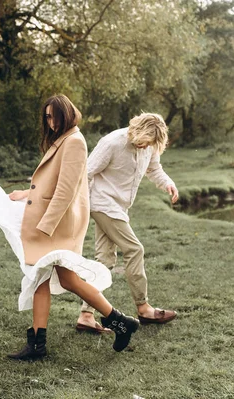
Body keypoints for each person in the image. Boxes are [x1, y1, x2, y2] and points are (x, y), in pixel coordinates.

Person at [6, 94, 139, 360]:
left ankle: (116, 322)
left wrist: (45, 226)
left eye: (53, 115)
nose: (50, 121)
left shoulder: (75, 142)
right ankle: (118, 322)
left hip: (58, 224)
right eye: (46, 116)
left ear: (66, 114)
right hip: (52, 221)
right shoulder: (63, 140)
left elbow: (66, 191)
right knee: (56, 278)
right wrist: (25, 193)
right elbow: (49, 184)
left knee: (53, 277)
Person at [75, 113, 179, 334]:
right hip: (102, 203)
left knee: (104, 259)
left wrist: (168, 183)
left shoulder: (149, 146)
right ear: (137, 130)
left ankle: (86, 315)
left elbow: (154, 169)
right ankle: (143, 307)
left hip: (119, 207)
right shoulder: (113, 142)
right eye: (143, 142)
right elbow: (86, 173)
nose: (144, 147)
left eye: (150, 145)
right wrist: (82, 206)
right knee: (134, 249)